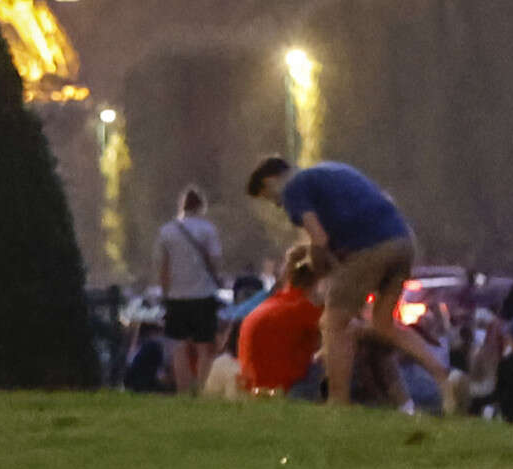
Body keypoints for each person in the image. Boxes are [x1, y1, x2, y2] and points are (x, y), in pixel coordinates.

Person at [245, 154, 447, 410]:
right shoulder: (330, 173)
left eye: (267, 195)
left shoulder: (294, 188)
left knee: (333, 323)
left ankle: (337, 401)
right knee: (383, 324)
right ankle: (444, 376)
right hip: (403, 241)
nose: (275, 204)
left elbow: (319, 239)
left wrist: (318, 266)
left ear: (271, 180)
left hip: (374, 248)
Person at [152, 184, 227, 395]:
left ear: (181, 205)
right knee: (205, 346)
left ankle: (183, 390)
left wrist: (165, 294)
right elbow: (215, 260)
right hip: (203, 293)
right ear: (201, 206)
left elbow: (163, 267)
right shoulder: (207, 230)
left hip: (176, 296)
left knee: (179, 346)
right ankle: (203, 389)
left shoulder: (166, 231)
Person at [230, 253, 325, 399]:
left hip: (251, 388)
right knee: (333, 357)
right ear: (317, 281)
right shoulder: (305, 309)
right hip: (286, 390)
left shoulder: (269, 304)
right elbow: (336, 334)